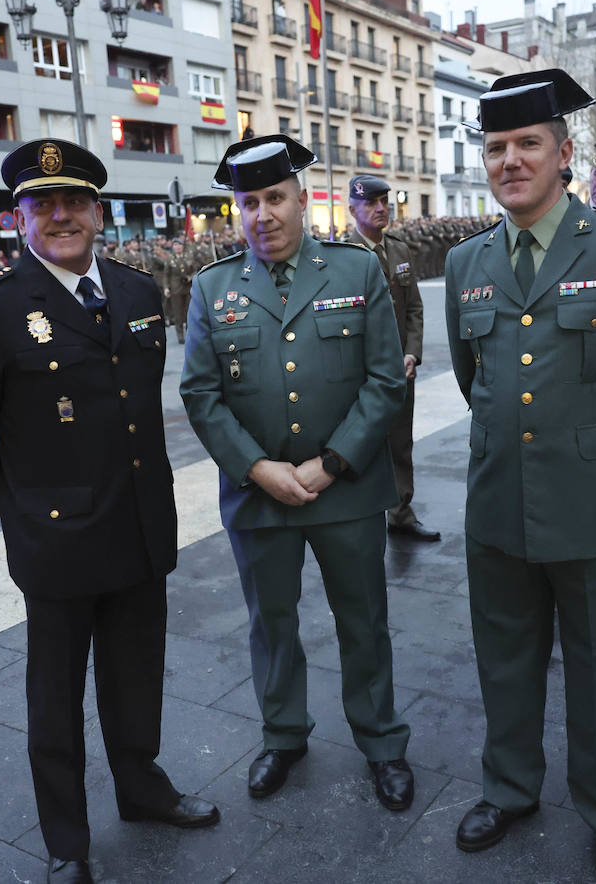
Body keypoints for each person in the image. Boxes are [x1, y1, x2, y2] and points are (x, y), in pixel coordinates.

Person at [0, 138, 219, 884]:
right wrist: (18, 502)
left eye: (74, 201)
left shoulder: (136, 292)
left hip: (138, 522)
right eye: (41, 204)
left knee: (136, 675)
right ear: (18, 218)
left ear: (98, 210)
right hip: (55, 543)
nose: (60, 216)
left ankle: (143, 789)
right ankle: (66, 839)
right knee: (55, 698)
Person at [444, 69, 596, 884]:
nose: (509, 161)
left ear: (563, 153)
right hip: (498, 501)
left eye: (526, 145)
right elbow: (469, 374)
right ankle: (510, 789)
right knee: (504, 658)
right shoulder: (465, 263)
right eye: (495, 148)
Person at [180, 135, 415, 811]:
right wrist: (258, 469)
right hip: (260, 499)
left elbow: (383, 381)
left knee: (364, 620)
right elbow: (200, 394)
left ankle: (381, 741)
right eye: (248, 202)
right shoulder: (211, 287)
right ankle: (283, 735)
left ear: (302, 200)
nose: (262, 214)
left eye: (274, 197)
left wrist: (329, 464)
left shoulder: (354, 272)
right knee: (271, 623)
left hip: (345, 489)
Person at [344, 173, 439, 541]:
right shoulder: (343, 257)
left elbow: (413, 307)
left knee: (400, 442)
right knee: (362, 443)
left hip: (401, 369)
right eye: (371, 203)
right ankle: (362, 517)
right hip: (361, 373)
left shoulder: (399, 249)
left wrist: (412, 353)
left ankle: (400, 511)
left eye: (385, 201)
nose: (381, 208)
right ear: (353, 209)